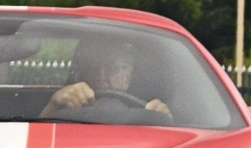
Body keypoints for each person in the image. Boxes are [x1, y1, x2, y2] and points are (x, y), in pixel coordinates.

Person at [40, 36, 171, 120]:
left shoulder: (149, 112)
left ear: (128, 75)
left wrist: (164, 120)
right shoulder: (61, 105)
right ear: (77, 74)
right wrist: (53, 106)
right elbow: (35, 143)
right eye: (92, 67)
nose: (101, 76)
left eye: (112, 68)